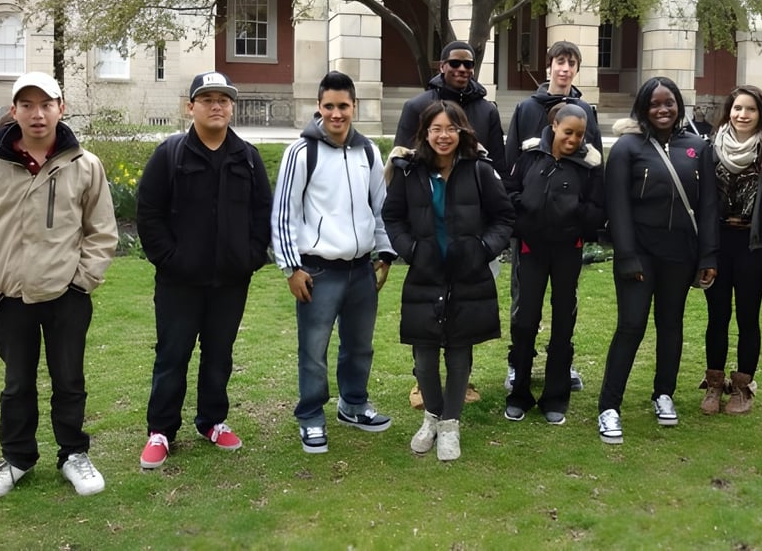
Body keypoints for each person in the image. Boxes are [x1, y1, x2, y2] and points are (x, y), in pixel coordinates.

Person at [0, 72, 118, 500]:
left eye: (46, 104)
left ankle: (73, 454)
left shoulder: (85, 165)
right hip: (9, 298)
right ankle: (17, 458)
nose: (37, 113)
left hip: (67, 295)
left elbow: (101, 232)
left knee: (69, 379)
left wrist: (82, 281)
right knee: (16, 384)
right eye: (27, 105)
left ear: (61, 108)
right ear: (14, 112)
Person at [135, 71, 273, 469]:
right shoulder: (171, 154)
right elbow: (149, 214)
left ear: (231, 106)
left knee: (219, 354)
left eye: (223, 99)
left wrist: (249, 257)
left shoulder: (246, 156)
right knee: (172, 355)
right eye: (207, 98)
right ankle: (161, 430)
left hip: (230, 281)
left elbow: (262, 212)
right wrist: (170, 259)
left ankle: (212, 421)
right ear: (189, 106)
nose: (216, 106)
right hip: (180, 282)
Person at [273, 71, 397, 454]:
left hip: (360, 269)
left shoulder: (368, 152)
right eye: (329, 106)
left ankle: (353, 405)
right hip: (318, 270)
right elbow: (284, 214)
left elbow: (380, 206)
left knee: (359, 346)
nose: (336, 114)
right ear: (319, 107)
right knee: (313, 349)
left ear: (354, 106)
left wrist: (385, 252)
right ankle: (311, 416)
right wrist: (291, 267)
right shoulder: (302, 152)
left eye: (343, 106)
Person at [382, 101, 515, 460]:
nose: (444, 136)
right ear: (425, 133)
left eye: (451, 129)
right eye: (436, 129)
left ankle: (450, 424)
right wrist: (410, 249)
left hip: (468, 274)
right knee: (424, 356)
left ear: (462, 132)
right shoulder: (409, 172)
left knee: (459, 354)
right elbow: (391, 217)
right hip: (425, 274)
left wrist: (483, 248)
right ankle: (432, 416)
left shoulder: (479, 171)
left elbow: (504, 217)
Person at [597, 76, 718, 444]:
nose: (663, 110)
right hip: (639, 254)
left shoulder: (697, 147)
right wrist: (627, 256)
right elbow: (616, 207)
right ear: (643, 108)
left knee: (671, 325)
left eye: (669, 103)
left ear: (679, 106)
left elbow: (708, 206)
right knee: (631, 326)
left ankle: (663, 394)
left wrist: (708, 255)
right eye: (655, 104)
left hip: (680, 254)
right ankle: (609, 407)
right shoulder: (627, 149)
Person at [502, 40, 602, 393]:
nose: (565, 68)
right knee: (524, 299)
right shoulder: (527, 108)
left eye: (571, 63)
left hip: (567, 230)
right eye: (560, 61)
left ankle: (563, 362)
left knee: (565, 301)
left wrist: (583, 214)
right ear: (549, 66)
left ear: (576, 69)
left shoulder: (585, 110)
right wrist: (519, 215)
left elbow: (595, 163)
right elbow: (512, 162)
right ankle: (519, 364)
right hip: (531, 227)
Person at [700, 85, 762, 416]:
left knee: (747, 318)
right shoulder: (711, 148)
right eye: (737, 108)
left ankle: (742, 386)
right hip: (718, 243)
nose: (742, 115)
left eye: (750, 110)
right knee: (717, 316)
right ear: (729, 112)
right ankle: (713, 384)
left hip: (755, 246)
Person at [394, 40, 506, 176]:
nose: (462, 69)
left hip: (474, 191)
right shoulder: (416, 107)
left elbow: (498, 164)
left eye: (468, 64)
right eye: (454, 63)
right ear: (442, 67)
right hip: (429, 189)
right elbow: (402, 159)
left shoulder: (488, 111)